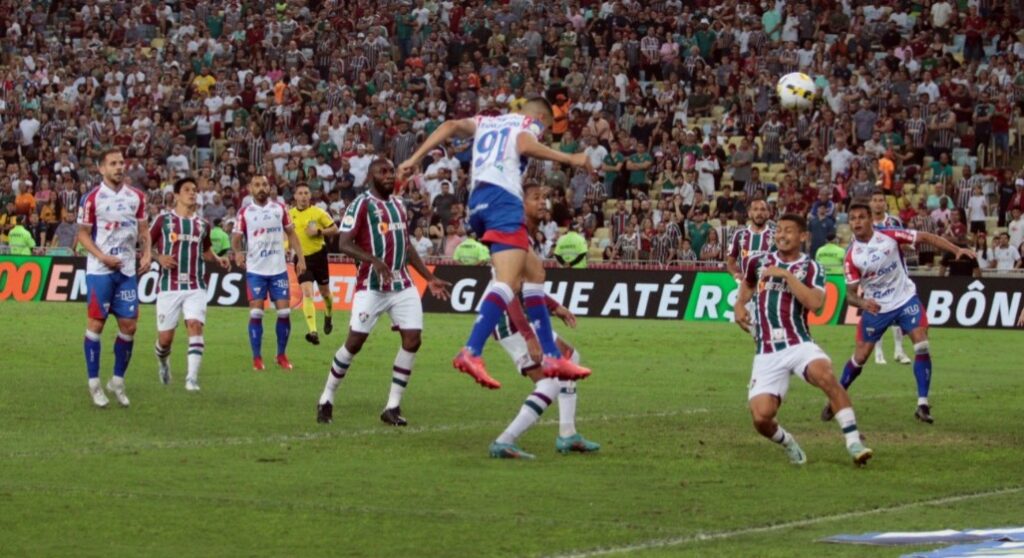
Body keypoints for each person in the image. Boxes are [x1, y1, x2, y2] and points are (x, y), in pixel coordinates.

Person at [397, 96, 592, 388]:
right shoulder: (529, 123)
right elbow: (525, 145)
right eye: (548, 128)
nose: (544, 133)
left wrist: (413, 160)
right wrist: (571, 159)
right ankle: (471, 351)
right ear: (541, 118)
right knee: (508, 283)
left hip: (478, 201)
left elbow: (450, 125)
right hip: (503, 200)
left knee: (535, 271)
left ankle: (551, 355)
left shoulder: (488, 121)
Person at [316, 158, 451, 426]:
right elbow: (343, 243)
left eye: (391, 171)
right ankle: (326, 397)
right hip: (372, 286)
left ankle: (392, 407)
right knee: (354, 343)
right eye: (383, 172)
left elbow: (407, 246)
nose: (389, 176)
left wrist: (429, 277)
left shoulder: (398, 204)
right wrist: (374, 261)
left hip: (402, 284)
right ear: (371, 176)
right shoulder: (361, 204)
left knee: (413, 340)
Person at [733, 213, 872, 466]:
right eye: (779, 231)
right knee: (761, 417)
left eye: (788, 231)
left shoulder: (811, 267)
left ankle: (854, 443)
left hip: (798, 343)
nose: (782, 236)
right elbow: (747, 285)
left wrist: (786, 276)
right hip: (766, 351)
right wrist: (739, 305)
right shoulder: (758, 261)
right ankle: (788, 442)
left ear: (803, 236)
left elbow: (816, 304)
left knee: (826, 375)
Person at [828, 202, 976, 425]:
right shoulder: (852, 255)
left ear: (870, 219)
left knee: (922, 344)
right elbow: (849, 294)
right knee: (860, 357)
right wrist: (862, 302)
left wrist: (956, 250)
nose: (856, 222)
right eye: (853, 218)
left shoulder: (890, 235)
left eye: (861, 217)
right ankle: (836, 398)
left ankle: (923, 404)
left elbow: (924, 236)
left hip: (905, 298)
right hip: (877, 308)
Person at [489, 182, 600, 459]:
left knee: (569, 357)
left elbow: (527, 286)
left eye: (546, 198)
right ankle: (505, 441)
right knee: (550, 381)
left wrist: (555, 307)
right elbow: (511, 293)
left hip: (518, 316)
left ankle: (567, 434)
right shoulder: (513, 237)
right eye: (536, 198)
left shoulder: (526, 236)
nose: (544, 203)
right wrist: (527, 335)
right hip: (509, 318)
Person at [77, 149, 152, 408]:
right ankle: (94, 383)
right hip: (100, 271)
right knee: (96, 325)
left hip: (127, 271)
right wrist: (102, 257)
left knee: (129, 326)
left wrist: (148, 254)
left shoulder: (137, 197)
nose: (119, 167)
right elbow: (83, 235)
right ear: (101, 169)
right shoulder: (91, 198)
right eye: (113, 164)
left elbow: (143, 229)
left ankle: (117, 381)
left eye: (121, 163)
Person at [150, 177, 230, 391]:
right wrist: (159, 258)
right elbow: (146, 246)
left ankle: (191, 378)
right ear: (176, 195)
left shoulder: (202, 224)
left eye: (195, 190)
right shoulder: (163, 221)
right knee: (165, 340)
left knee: (195, 325)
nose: (192, 193)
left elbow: (205, 250)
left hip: (196, 285)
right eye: (187, 190)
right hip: (169, 286)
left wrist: (218, 258)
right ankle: (163, 362)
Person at [232, 175, 306, 371]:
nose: (261, 188)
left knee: (284, 312)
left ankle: (281, 355)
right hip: (256, 270)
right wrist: (238, 252)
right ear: (250, 188)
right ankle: (257, 358)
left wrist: (301, 258)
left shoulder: (279, 208)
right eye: (257, 185)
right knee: (256, 312)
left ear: (270, 188)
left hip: (278, 270)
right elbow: (236, 237)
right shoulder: (245, 212)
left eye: (264, 184)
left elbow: (291, 234)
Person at [289, 183, 340, 346]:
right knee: (308, 293)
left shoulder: (318, 213)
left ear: (310, 196)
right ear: (295, 196)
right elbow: (286, 235)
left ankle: (328, 315)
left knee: (325, 293)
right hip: (301, 259)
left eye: (306, 193)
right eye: (300, 193)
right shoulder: (289, 215)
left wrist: (318, 232)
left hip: (319, 257)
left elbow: (335, 229)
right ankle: (313, 331)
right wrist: (285, 247)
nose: (303, 196)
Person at [868, 191, 911, 365]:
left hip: (896, 273)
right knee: (878, 312)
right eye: (875, 200)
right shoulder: (865, 223)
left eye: (881, 201)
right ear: (870, 203)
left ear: (886, 204)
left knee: (899, 311)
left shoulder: (894, 222)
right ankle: (878, 352)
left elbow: (905, 242)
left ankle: (899, 350)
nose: (878, 204)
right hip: (874, 276)